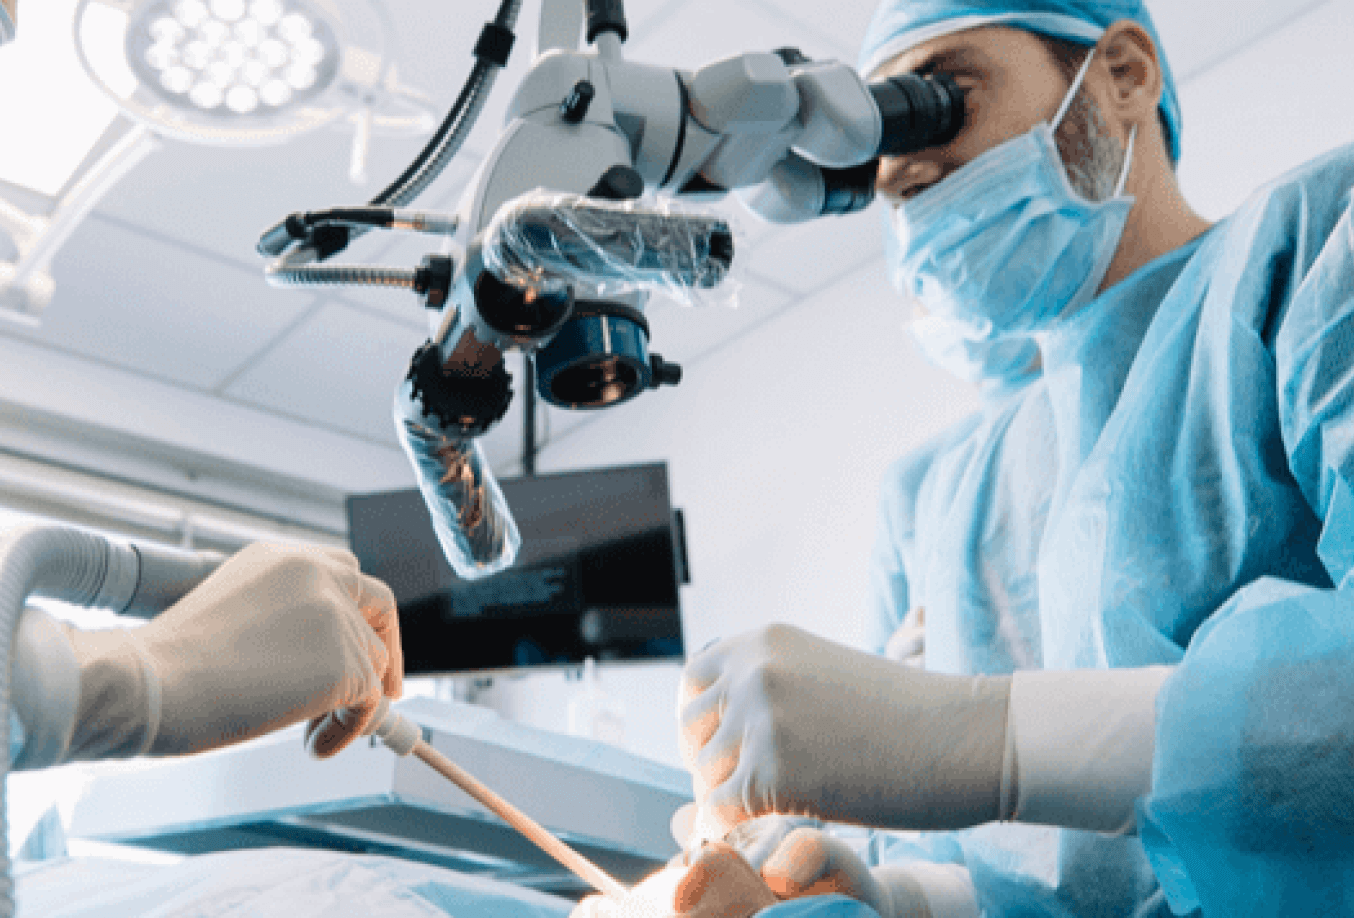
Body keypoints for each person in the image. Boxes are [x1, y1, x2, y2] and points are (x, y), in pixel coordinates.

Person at [576, 0, 1354, 916]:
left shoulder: (1315, 253)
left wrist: (993, 741)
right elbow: (1052, 884)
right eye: (876, 136)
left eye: (940, 96)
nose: (898, 167)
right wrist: (905, 893)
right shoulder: (940, 495)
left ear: (1124, 75)